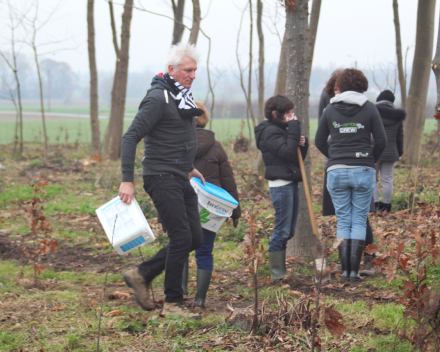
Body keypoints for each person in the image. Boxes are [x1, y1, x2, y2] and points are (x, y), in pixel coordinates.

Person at [118, 43, 206, 319]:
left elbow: (176, 137)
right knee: (181, 236)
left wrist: (190, 166)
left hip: (180, 175)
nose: (192, 75)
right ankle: (173, 304)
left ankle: (142, 273)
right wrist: (126, 180)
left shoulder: (181, 97)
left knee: (195, 237)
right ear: (172, 69)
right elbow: (130, 137)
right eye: (188, 70)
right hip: (160, 176)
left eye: (195, 70)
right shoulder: (158, 98)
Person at [315, 68, 386, 282]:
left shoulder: (329, 110)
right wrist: (368, 160)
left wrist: (335, 158)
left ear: (340, 86)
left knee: (344, 219)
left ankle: (344, 271)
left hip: (336, 172)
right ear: (362, 86)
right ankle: (354, 273)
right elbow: (382, 141)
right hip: (363, 169)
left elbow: (319, 141)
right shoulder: (370, 109)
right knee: (359, 220)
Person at [181, 101, 241, 308]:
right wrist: (235, 212)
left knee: (180, 248)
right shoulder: (216, 147)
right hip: (211, 209)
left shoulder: (177, 145)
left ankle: (180, 293)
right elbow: (228, 181)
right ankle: (200, 299)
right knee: (205, 251)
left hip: (182, 203)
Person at [255, 95, 308, 280]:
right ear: (275, 113)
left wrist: (303, 143)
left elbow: (295, 156)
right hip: (280, 185)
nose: (290, 116)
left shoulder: (281, 130)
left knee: (289, 230)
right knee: (282, 230)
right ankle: (277, 274)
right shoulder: (270, 131)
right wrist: (294, 128)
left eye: (291, 112)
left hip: (290, 182)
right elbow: (286, 152)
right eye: (287, 113)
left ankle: (281, 270)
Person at [373, 90, 406, 213]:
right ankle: (386, 206)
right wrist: (400, 152)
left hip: (374, 151)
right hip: (391, 152)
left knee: (373, 179)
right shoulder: (397, 116)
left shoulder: (372, 112)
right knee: (387, 179)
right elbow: (400, 137)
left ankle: (375, 205)